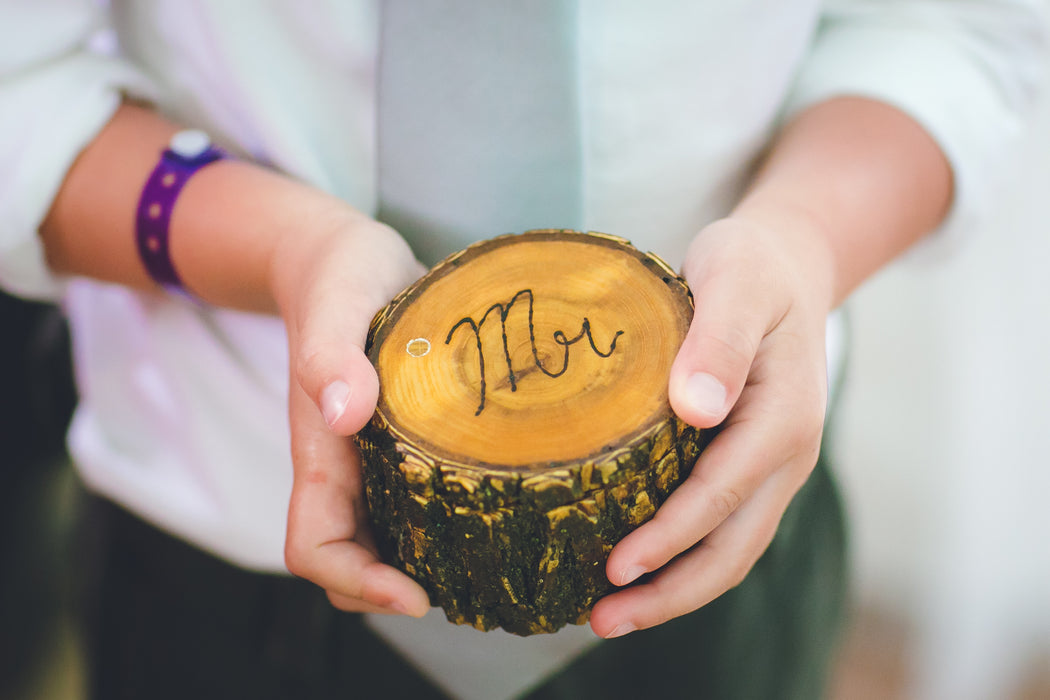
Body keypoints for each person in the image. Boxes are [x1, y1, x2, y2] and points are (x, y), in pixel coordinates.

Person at [0, 1, 1044, 698]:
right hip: (230, 545)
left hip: (727, 525)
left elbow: (950, 26)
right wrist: (285, 248)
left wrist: (805, 240)